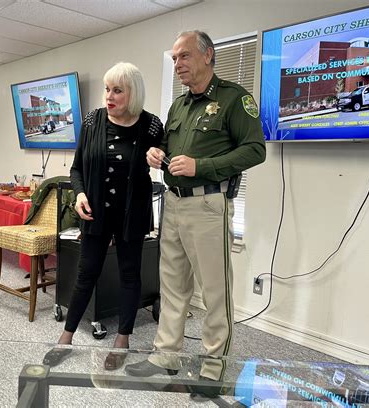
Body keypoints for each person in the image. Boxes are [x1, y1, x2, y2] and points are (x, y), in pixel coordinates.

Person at [125, 30, 266, 397]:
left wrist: (201, 166)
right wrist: (155, 153)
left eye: (184, 56)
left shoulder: (234, 99)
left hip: (208, 205)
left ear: (207, 55)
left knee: (215, 291)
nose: (177, 64)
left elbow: (255, 150)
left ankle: (213, 368)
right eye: (174, 59)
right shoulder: (179, 105)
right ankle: (166, 356)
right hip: (173, 202)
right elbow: (167, 146)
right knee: (172, 285)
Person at [43, 62, 164, 370]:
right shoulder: (92, 120)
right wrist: (80, 194)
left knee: (129, 275)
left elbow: (162, 161)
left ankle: (122, 341)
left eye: (117, 90)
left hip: (131, 214)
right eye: (107, 89)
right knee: (86, 274)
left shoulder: (152, 126)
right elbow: (77, 169)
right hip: (95, 211)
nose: (109, 96)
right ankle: (65, 339)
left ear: (133, 93)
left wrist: (160, 158)